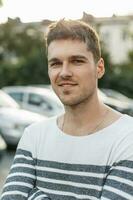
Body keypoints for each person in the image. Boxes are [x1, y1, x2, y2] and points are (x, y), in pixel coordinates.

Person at [1, 19, 133, 200]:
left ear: (99, 68)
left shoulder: (128, 137)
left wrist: (34, 195)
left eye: (77, 61)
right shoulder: (34, 136)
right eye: (55, 63)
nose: (64, 72)